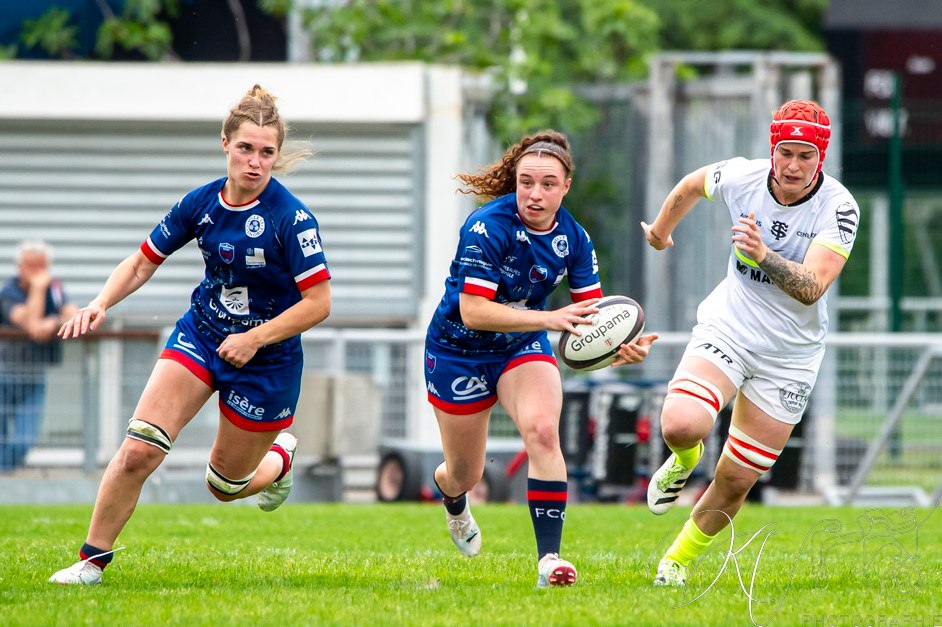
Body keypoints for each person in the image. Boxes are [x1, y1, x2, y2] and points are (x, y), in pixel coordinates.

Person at [48, 85, 332, 585]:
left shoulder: (293, 219)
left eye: (267, 152)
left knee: (223, 485)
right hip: (202, 335)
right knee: (140, 448)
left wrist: (255, 338)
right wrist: (99, 303)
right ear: (225, 143)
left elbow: (319, 304)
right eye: (246, 148)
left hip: (267, 363)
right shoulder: (200, 204)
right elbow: (141, 262)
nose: (255, 162)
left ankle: (280, 459)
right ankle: (91, 562)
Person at [425, 129, 659, 587]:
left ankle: (549, 560)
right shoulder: (485, 226)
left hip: (520, 345)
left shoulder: (574, 238)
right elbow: (473, 313)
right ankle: (453, 500)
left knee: (542, 431)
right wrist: (550, 319)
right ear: (514, 180)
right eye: (526, 182)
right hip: (458, 351)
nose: (535, 194)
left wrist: (617, 352)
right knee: (464, 473)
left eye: (548, 184)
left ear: (565, 186)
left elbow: (587, 323)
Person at [641, 99, 860, 586]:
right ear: (773, 149)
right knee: (681, 423)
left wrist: (761, 253)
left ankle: (674, 563)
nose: (794, 165)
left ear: (820, 156)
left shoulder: (839, 207)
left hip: (791, 355)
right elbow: (692, 184)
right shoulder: (742, 176)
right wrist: (660, 232)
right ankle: (684, 459)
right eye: (787, 152)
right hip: (731, 326)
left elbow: (812, 286)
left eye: (806, 155)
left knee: (737, 478)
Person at [0, 241, 77, 471]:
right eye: (30, 266)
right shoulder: (9, 292)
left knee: (25, 439)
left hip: (35, 373)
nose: (35, 272)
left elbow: (72, 314)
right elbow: (30, 323)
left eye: (40, 266)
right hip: (4, 373)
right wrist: (37, 288)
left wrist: (53, 321)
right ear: (20, 266)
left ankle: (5, 474)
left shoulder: (54, 289)